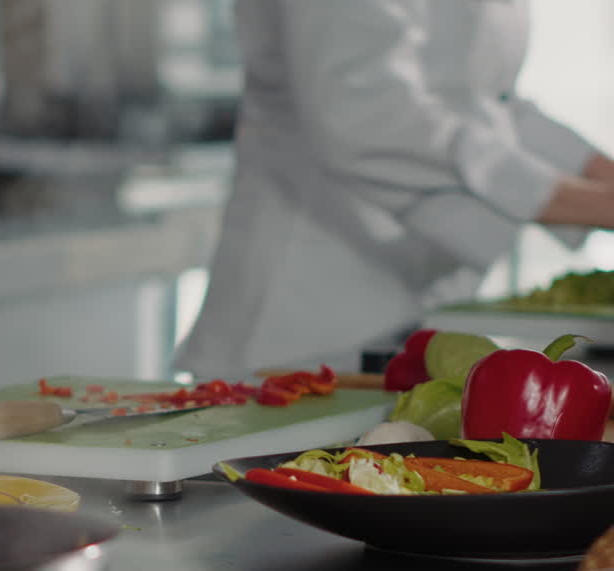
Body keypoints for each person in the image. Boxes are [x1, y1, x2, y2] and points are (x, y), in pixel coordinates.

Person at [173, 0, 614, 380]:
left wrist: (598, 177)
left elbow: (487, 102)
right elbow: (367, 110)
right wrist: (582, 202)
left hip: (420, 305)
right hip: (302, 318)